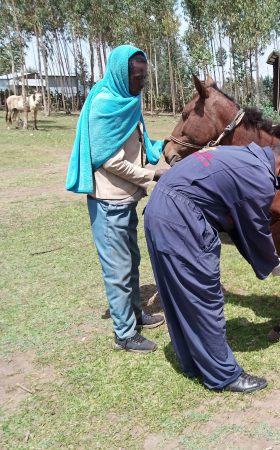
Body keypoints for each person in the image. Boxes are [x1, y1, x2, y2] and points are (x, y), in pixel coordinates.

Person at [144, 140, 280, 393]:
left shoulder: (241, 155)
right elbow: (254, 230)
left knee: (179, 294)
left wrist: (272, 262)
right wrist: (278, 264)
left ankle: (193, 362)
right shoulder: (260, 177)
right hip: (181, 219)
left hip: (160, 209)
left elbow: (237, 225)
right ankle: (223, 375)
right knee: (203, 297)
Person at [65, 45, 167, 353]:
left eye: (143, 77)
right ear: (122, 74)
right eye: (137, 78)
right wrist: (150, 175)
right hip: (109, 202)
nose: (141, 84)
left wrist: (165, 144)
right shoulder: (106, 103)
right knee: (118, 269)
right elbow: (108, 159)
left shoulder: (127, 99)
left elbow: (137, 140)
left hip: (126, 199)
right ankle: (124, 334)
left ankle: (135, 314)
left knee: (131, 262)